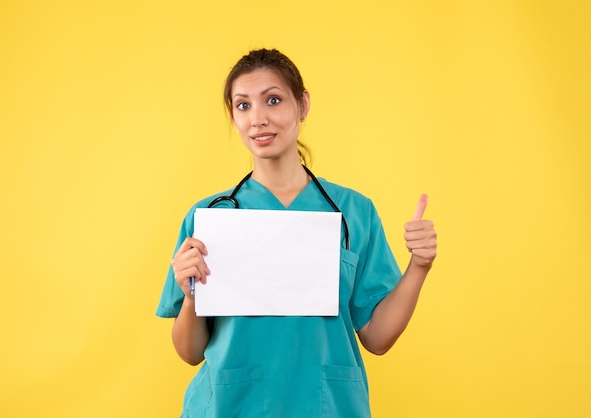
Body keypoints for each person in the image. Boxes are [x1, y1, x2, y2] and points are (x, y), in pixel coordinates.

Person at [156, 48, 437, 418]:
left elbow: (378, 338)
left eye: (273, 100)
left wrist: (419, 265)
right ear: (233, 117)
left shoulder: (353, 212)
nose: (258, 119)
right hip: (229, 406)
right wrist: (191, 296)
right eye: (243, 106)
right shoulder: (210, 217)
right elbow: (190, 352)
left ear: (302, 105)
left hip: (327, 407)